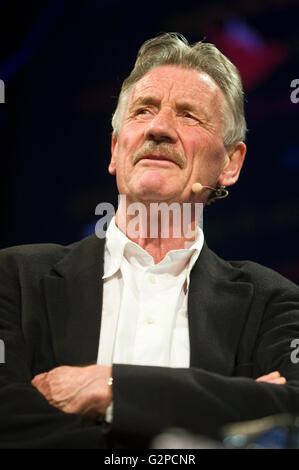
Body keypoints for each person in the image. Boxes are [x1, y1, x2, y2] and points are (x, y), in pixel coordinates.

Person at [1, 32, 299, 449]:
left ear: (231, 163)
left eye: (189, 115)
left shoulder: (273, 304)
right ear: (115, 149)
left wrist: (112, 388)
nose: (159, 128)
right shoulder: (13, 278)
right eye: (143, 111)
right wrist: (216, 417)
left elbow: (292, 411)